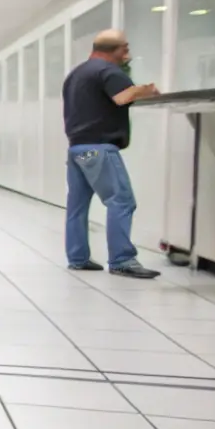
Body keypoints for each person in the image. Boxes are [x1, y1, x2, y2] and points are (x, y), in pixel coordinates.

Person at [63, 29, 161, 279]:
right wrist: (144, 90)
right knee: (121, 201)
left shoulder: (76, 73)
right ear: (116, 50)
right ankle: (122, 260)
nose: (127, 55)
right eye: (125, 49)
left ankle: (78, 258)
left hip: (78, 149)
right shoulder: (108, 71)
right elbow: (122, 97)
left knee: (77, 206)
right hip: (99, 148)